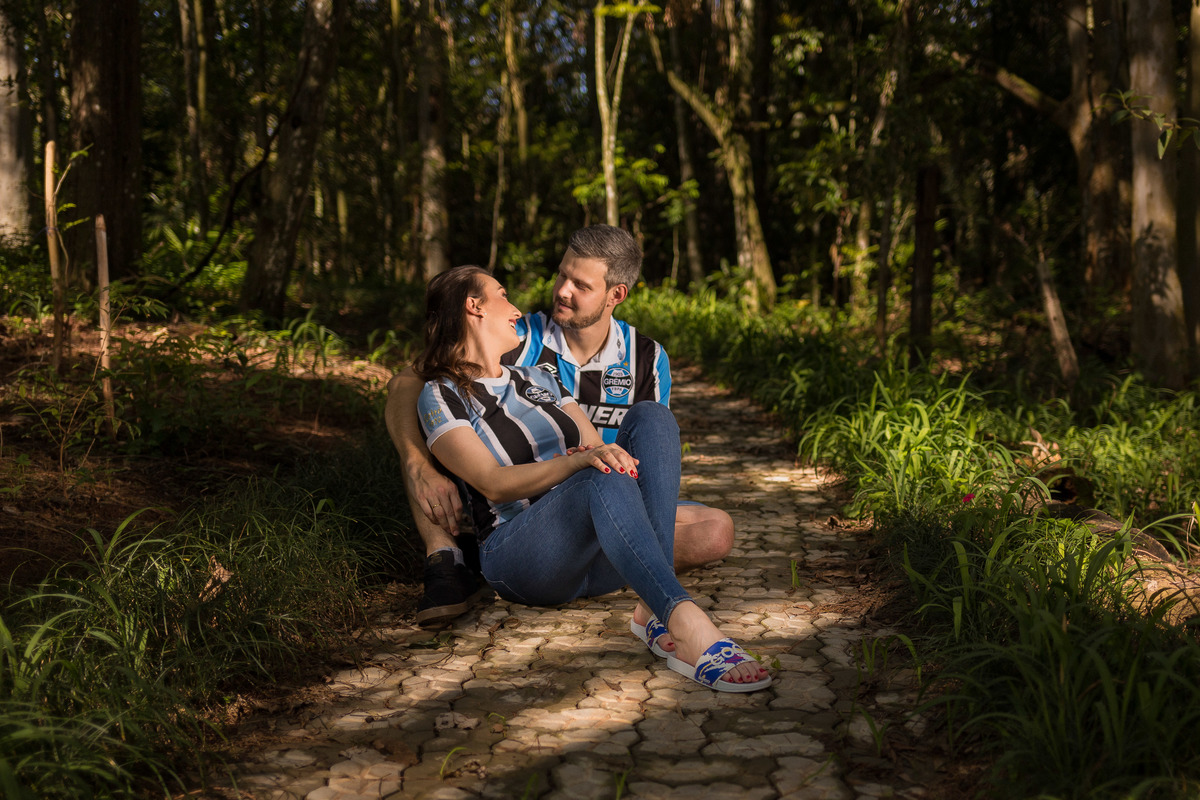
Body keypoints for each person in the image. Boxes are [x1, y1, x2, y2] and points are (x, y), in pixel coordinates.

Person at [411, 264, 770, 692]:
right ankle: (685, 621)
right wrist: (577, 464)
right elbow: (492, 482)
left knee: (651, 417)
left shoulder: (538, 378)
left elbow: (595, 446)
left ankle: (650, 608)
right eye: (503, 295)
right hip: (523, 557)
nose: (516, 309)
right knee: (599, 471)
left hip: (594, 551)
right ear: (475, 307)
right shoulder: (441, 393)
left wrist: (592, 459)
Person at [386, 225, 734, 627]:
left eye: (581, 285)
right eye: (562, 275)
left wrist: (603, 476)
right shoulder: (516, 337)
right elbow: (409, 382)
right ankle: (446, 559)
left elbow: (649, 459)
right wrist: (417, 464)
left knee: (715, 530)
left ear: (616, 295)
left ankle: (647, 575)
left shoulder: (646, 358)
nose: (563, 291)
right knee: (594, 480)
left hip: (608, 494)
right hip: (538, 508)